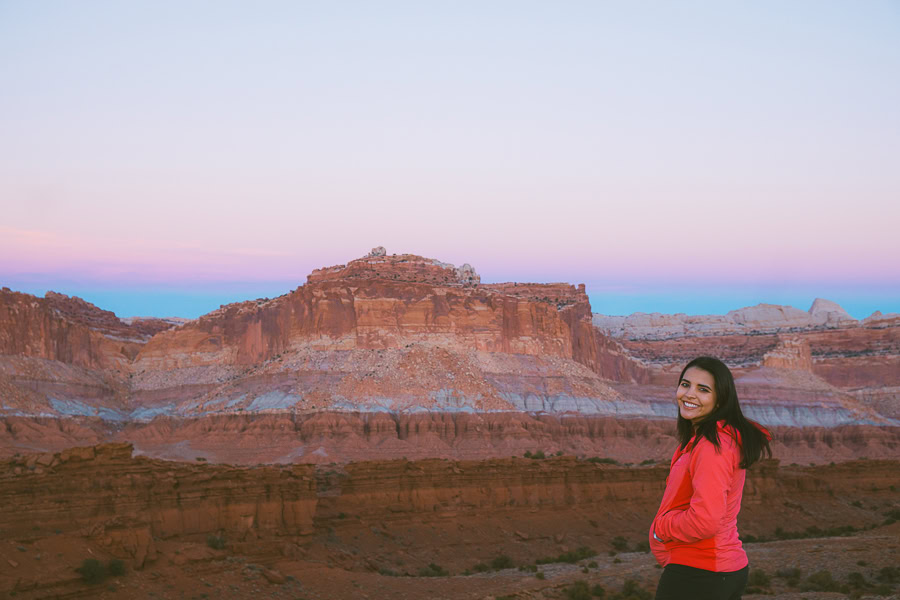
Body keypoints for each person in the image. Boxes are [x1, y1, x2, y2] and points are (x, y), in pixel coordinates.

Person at [649, 356, 772, 600]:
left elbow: (705, 521)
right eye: (685, 385)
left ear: (719, 401)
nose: (689, 394)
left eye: (703, 390)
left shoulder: (712, 446)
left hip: (700, 574)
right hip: (714, 571)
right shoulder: (706, 439)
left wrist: (660, 528)